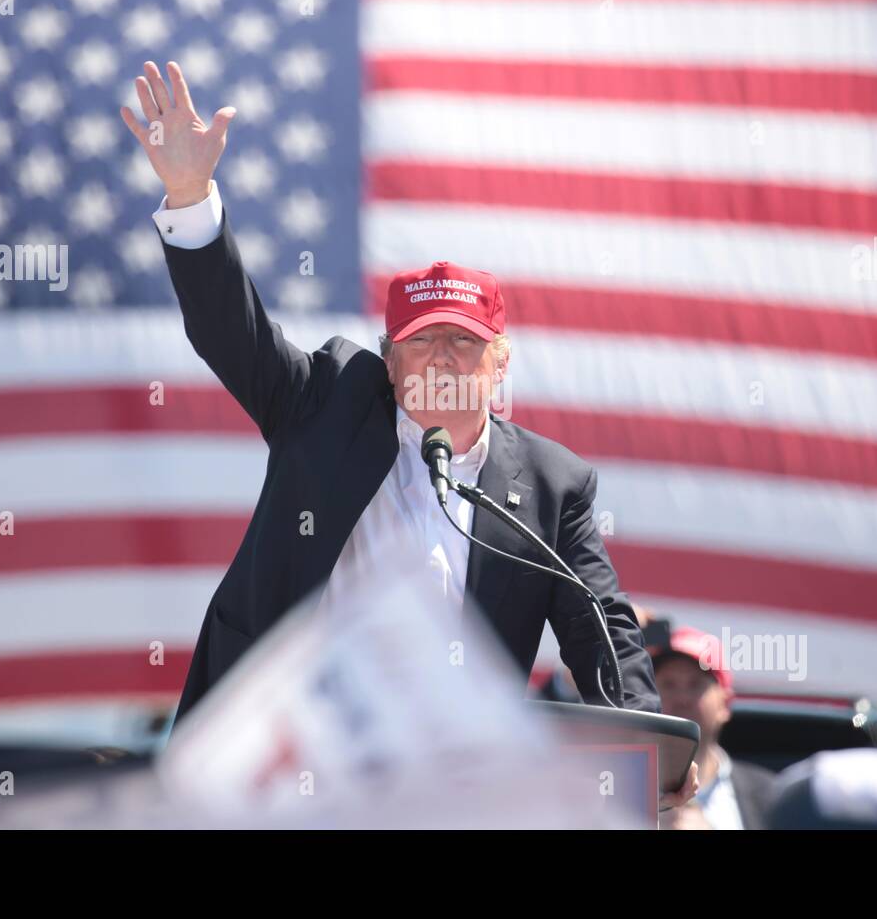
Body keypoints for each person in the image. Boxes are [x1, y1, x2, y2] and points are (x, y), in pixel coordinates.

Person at [119, 61, 697, 807]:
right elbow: (234, 333)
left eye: (464, 341)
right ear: (390, 361)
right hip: (281, 773)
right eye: (423, 342)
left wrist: (640, 744)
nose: (444, 358)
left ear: (501, 361)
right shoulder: (322, 402)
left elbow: (602, 626)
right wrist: (191, 198)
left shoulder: (554, 486)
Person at [647, 626, 774, 828]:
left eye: (695, 684)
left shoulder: (771, 795)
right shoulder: (614, 789)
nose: (682, 699)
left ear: (725, 703)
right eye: (668, 684)